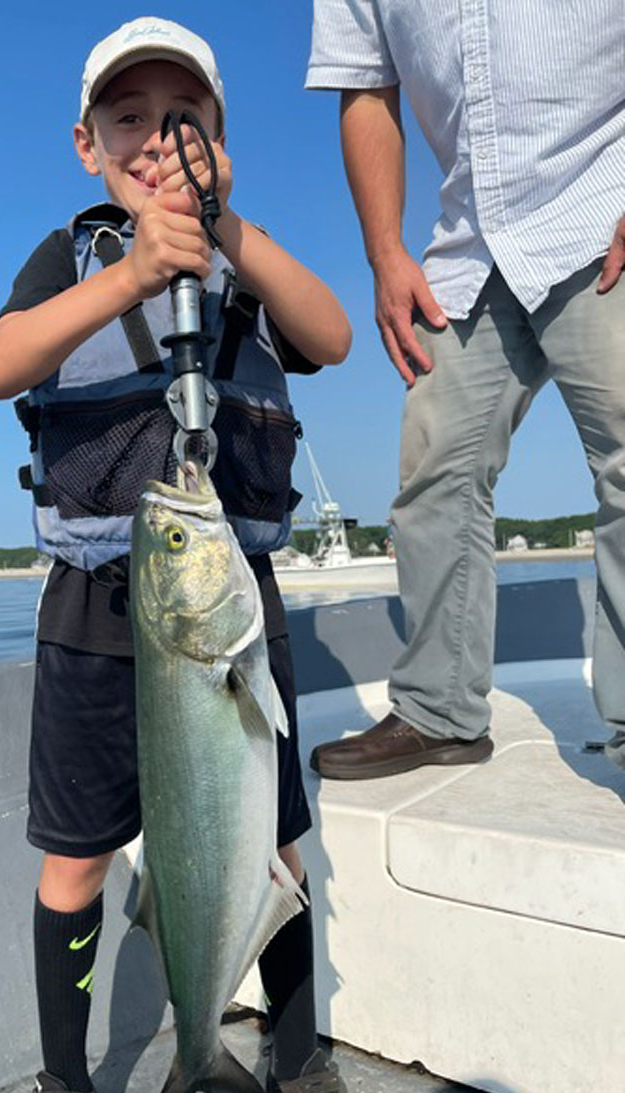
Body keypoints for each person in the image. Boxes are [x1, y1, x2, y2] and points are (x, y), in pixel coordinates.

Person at [0, 16, 390, 1093]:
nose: (156, 143)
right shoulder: (69, 257)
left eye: (184, 121)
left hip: (226, 616)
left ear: (221, 141)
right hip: (97, 615)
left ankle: (295, 1065)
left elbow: (334, 334)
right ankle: (66, 1090)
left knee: (279, 846)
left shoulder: (241, 259)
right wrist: (132, 274)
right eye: (128, 123)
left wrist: (228, 237)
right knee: (74, 862)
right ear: (86, 144)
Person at [305, 0, 625, 780]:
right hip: (469, 249)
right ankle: (439, 712)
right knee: (435, 471)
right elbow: (368, 87)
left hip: (603, 212)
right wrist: (385, 253)